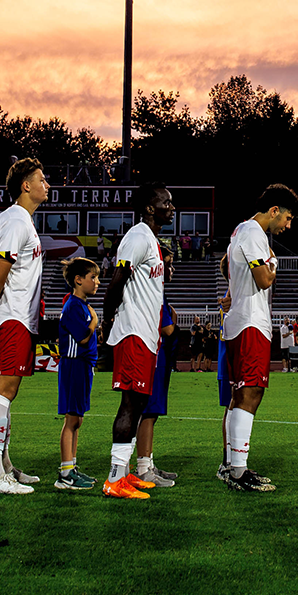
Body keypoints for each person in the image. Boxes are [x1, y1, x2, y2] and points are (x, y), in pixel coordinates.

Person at [0, 158, 51, 494]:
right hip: (12, 316)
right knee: (2, 391)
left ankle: (5, 466)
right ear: (26, 186)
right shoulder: (16, 221)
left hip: (20, 317)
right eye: (42, 179)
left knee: (9, 392)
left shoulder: (19, 221)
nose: (47, 185)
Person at [222, 183, 298, 493]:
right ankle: (238, 472)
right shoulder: (254, 233)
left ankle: (231, 465)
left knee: (239, 396)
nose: (287, 225)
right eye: (287, 218)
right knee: (251, 392)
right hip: (251, 323)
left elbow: (225, 265)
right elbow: (264, 279)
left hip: (238, 322)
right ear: (274, 211)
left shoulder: (239, 230)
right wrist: (274, 260)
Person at [101, 184, 175, 498]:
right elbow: (116, 280)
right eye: (165, 202)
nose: (171, 207)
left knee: (140, 403)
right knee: (130, 404)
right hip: (132, 332)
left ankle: (126, 472)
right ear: (148, 207)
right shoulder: (137, 236)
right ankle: (115, 478)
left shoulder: (152, 241)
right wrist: (108, 320)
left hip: (146, 334)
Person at [54, 257, 102, 492]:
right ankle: (65, 473)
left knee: (77, 419)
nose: (97, 282)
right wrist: (94, 322)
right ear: (78, 280)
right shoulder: (73, 305)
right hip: (73, 365)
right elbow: (82, 337)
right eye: (93, 277)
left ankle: (71, 467)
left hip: (82, 366)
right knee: (71, 419)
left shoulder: (81, 305)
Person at [135, 300, 180, 487]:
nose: (172, 269)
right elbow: (168, 329)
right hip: (154, 354)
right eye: (169, 267)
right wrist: (173, 321)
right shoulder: (155, 293)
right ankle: (143, 468)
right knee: (149, 413)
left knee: (149, 413)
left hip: (152, 353)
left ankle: (147, 464)